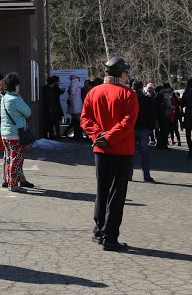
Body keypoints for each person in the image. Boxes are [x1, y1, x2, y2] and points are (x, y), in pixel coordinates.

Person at [81, 56, 139, 252]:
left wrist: (99, 136)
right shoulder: (128, 94)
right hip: (121, 150)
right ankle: (109, 236)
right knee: (116, 194)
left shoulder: (93, 92)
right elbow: (127, 123)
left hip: (101, 149)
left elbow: (85, 119)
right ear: (122, 73)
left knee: (102, 190)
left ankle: (99, 230)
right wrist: (109, 137)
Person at [0, 72, 33, 192]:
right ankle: (13, 184)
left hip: (5, 134)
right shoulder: (16, 99)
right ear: (15, 86)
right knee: (17, 159)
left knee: (9, 158)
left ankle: (7, 180)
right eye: (18, 85)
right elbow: (28, 112)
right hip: (15, 134)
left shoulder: (3, 98)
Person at [130, 78, 156, 183]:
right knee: (145, 154)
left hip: (131, 128)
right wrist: (151, 129)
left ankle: (128, 175)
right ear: (141, 88)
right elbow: (151, 115)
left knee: (130, 153)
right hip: (144, 128)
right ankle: (146, 175)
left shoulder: (129, 99)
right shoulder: (147, 100)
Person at [41, 76, 64, 140]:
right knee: (54, 122)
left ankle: (51, 135)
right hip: (53, 108)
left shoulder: (45, 88)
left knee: (50, 123)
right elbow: (50, 100)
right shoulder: (52, 89)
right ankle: (54, 135)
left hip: (51, 108)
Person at [67, 75, 84, 139]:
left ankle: (77, 134)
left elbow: (72, 92)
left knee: (76, 119)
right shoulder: (79, 83)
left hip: (74, 103)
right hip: (78, 103)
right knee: (77, 119)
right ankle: (79, 134)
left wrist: (70, 99)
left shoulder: (73, 83)